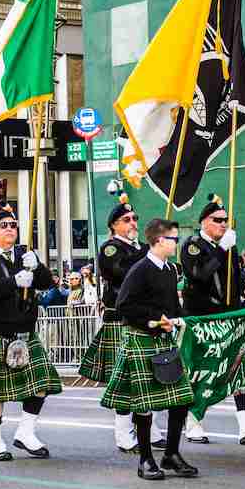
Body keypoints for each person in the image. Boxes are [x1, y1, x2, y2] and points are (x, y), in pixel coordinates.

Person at [0, 204, 62, 461]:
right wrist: (13, 281)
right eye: (4, 225)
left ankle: (26, 432)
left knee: (42, 383)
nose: (11, 229)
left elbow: (48, 283)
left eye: (14, 225)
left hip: (25, 330)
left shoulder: (24, 254)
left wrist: (37, 267)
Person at [101, 218, 198, 481]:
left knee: (181, 399)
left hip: (163, 340)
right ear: (158, 241)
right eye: (173, 239)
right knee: (144, 404)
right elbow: (124, 305)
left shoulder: (169, 270)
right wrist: (153, 320)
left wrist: (178, 317)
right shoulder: (140, 269)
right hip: (141, 338)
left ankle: (171, 454)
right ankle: (145, 459)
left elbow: (170, 305)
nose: (177, 244)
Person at [179, 194, 245, 446]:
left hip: (229, 316)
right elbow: (199, 275)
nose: (223, 224)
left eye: (226, 220)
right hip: (204, 318)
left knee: (238, 365)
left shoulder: (228, 247)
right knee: (203, 370)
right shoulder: (193, 245)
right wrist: (221, 250)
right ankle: (193, 422)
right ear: (204, 222)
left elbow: (233, 282)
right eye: (217, 220)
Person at [79, 194, 158, 453]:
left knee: (148, 377)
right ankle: (123, 433)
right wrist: (149, 254)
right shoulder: (111, 248)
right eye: (126, 220)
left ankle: (151, 429)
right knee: (125, 380)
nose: (133, 222)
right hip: (121, 320)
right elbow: (125, 275)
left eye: (135, 218)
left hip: (145, 318)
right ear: (114, 225)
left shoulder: (140, 249)